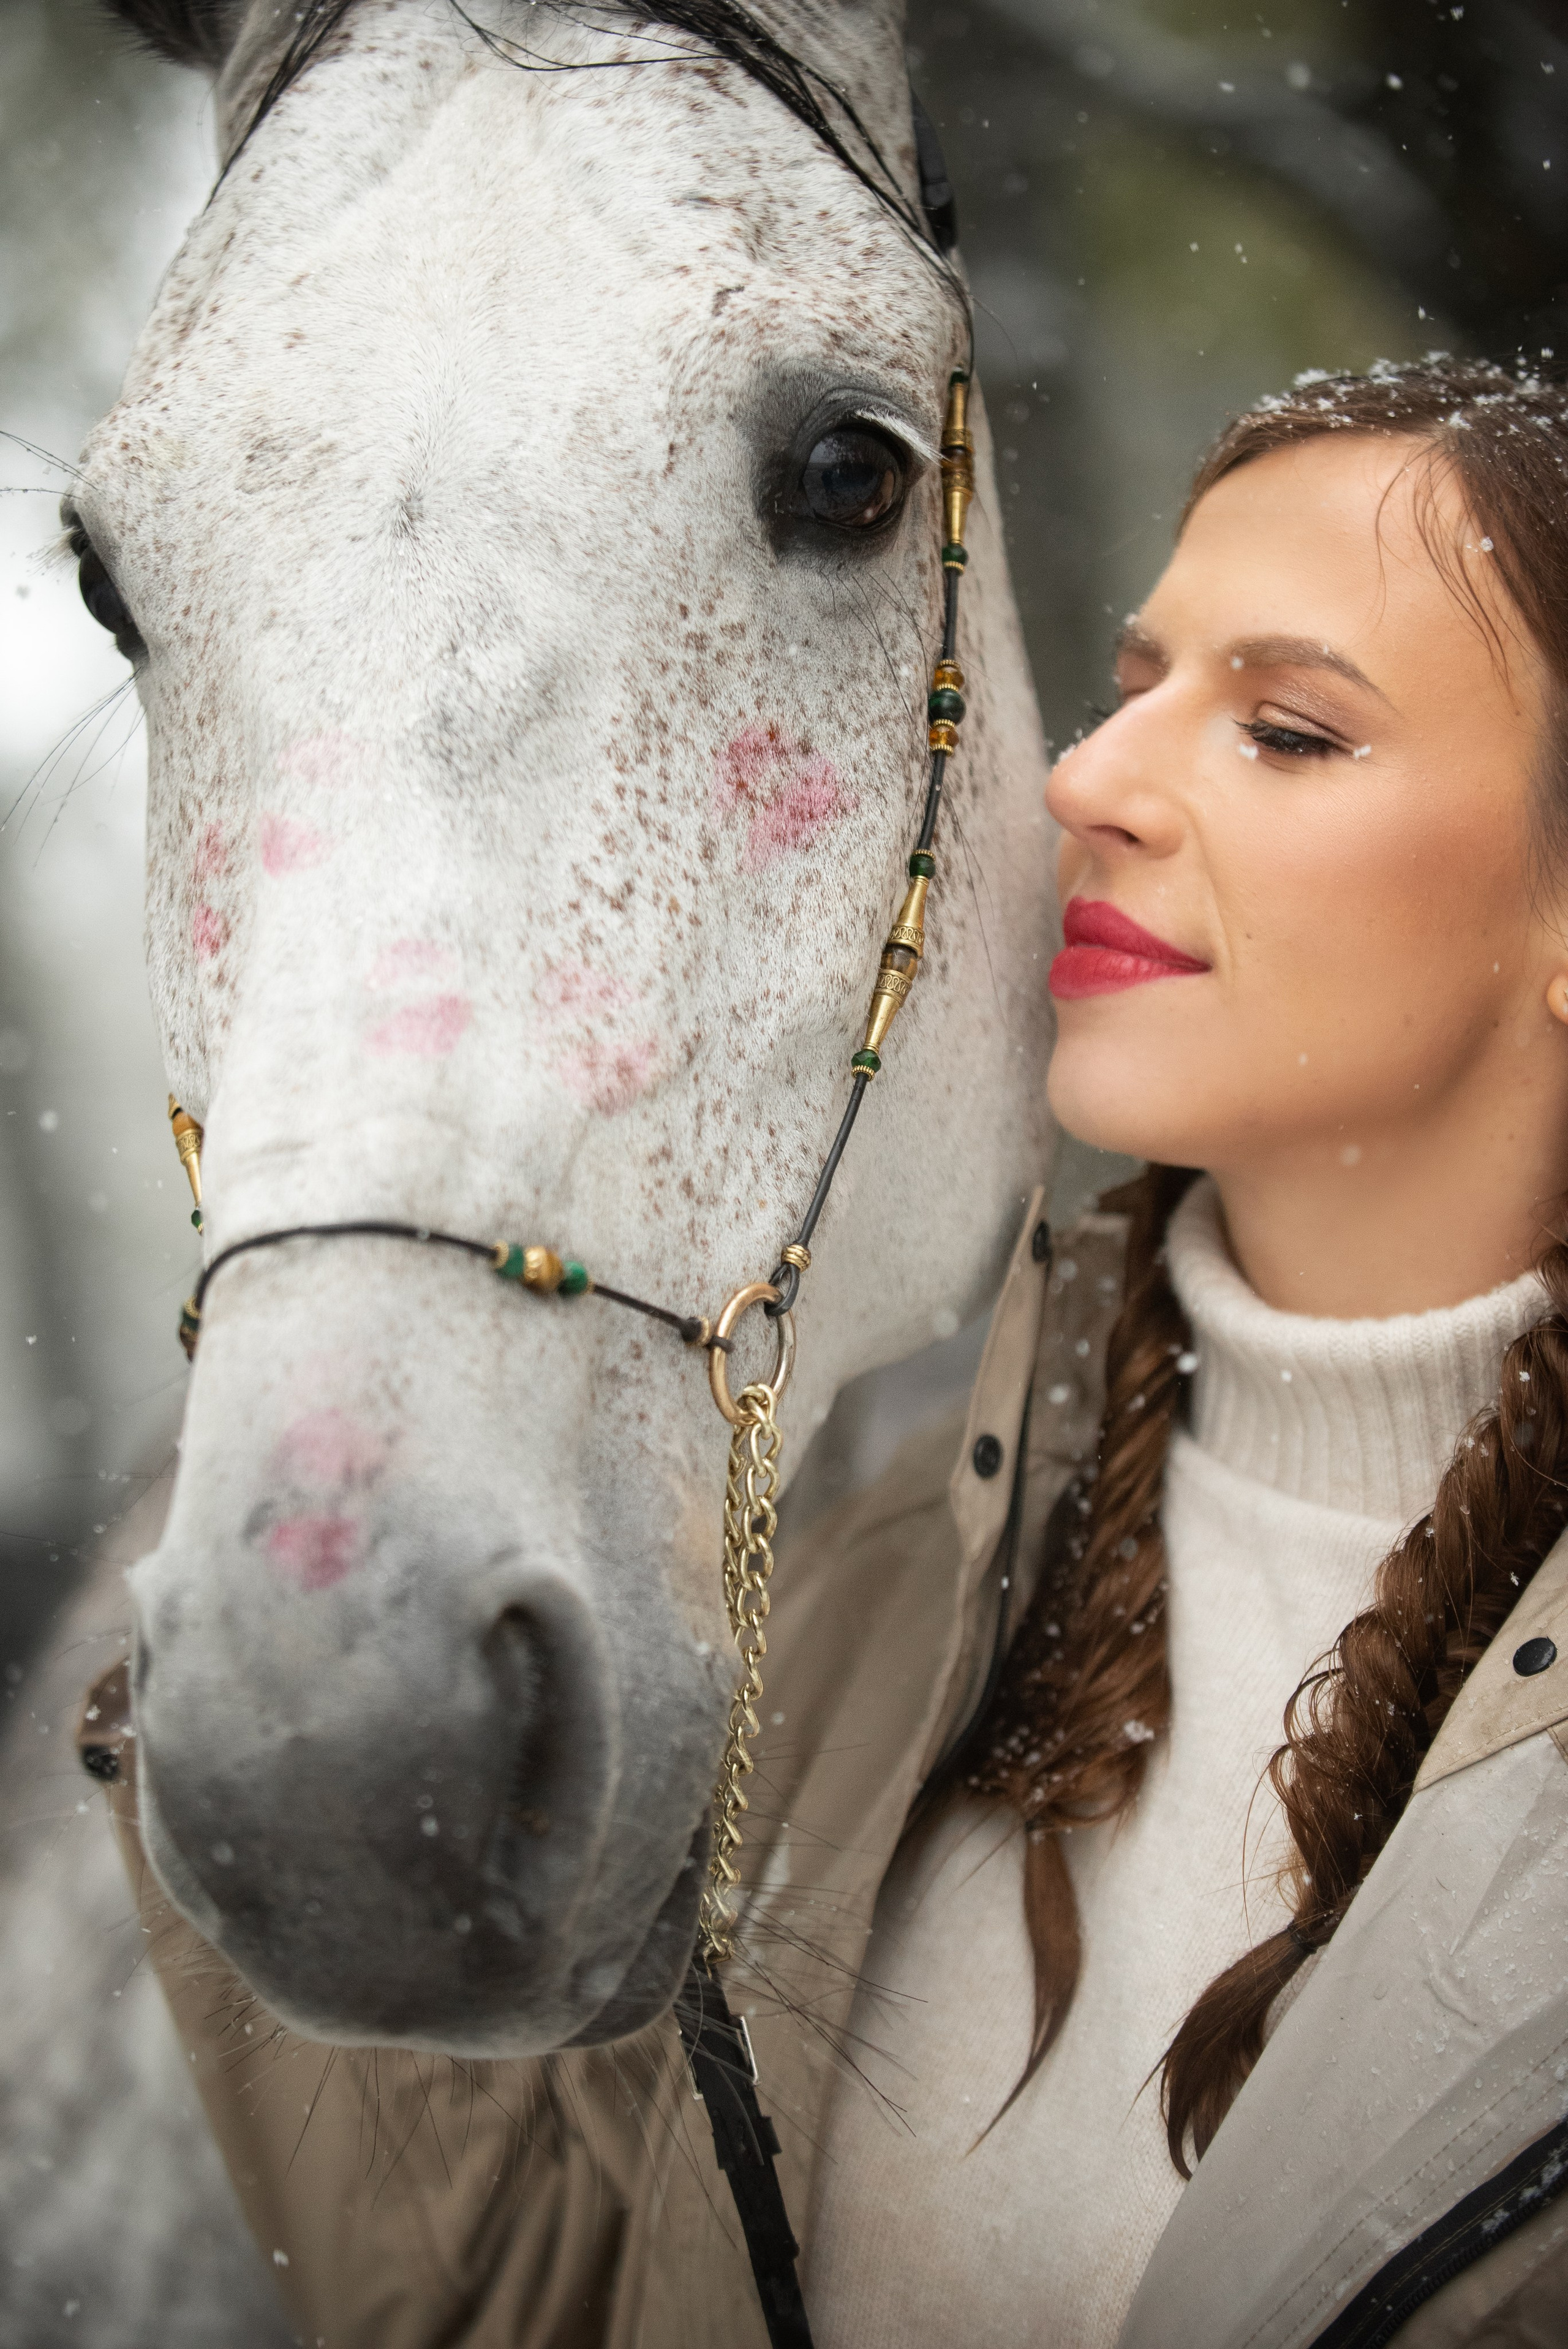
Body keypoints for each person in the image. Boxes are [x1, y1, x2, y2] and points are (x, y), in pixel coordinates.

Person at [89, 355, 1568, 2347]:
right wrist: (340, 1433)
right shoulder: (859, 1598)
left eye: (1288, 729)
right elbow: (529, 2298)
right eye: (1136, 684)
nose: (1090, 780)